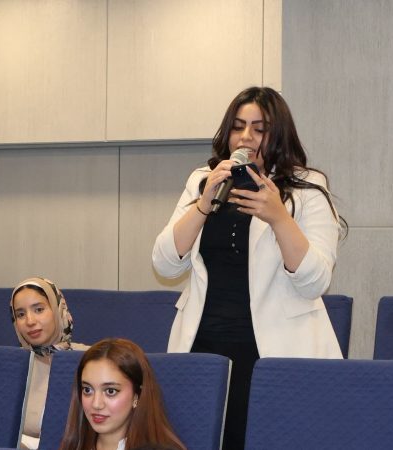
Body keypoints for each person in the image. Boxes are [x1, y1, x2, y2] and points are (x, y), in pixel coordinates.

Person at [152, 86, 347, 449]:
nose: (246, 137)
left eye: (259, 129)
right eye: (238, 126)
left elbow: (315, 282)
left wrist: (279, 217)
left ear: (279, 135)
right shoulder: (203, 180)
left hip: (275, 350)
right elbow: (164, 263)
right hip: (203, 346)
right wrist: (203, 203)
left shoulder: (307, 188)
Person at [58, 338, 186, 450]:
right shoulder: (72, 445)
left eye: (110, 391)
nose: (96, 404)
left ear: (137, 395)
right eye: (87, 390)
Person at [10, 277, 88, 449]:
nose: (30, 321)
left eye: (39, 309)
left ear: (57, 309)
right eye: (21, 314)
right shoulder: (12, 367)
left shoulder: (91, 360)